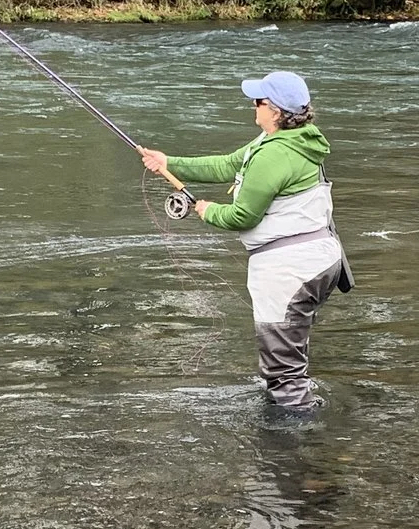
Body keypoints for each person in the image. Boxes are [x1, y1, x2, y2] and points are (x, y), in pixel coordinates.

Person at [140, 71, 351, 413]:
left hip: (289, 272)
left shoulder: (274, 155)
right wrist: (169, 163)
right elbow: (227, 165)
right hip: (320, 260)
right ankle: (295, 426)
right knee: (290, 358)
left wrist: (208, 211)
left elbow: (243, 217)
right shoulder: (289, 140)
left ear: (278, 111)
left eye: (259, 101)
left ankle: (294, 444)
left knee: (284, 376)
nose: (253, 105)